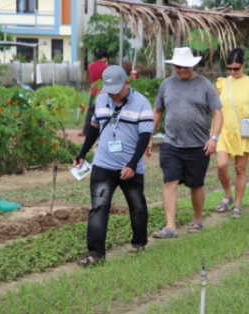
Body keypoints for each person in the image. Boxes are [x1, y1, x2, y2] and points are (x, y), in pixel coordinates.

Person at [74, 65, 154, 265]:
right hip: (103, 163)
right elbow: (94, 127)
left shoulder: (141, 103)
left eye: (117, 90)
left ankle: (139, 243)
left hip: (130, 166)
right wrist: (82, 153)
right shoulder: (102, 99)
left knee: (137, 206)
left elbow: (145, 136)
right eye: (110, 91)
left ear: (127, 83)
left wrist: (133, 164)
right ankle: (95, 254)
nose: (113, 95)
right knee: (98, 208)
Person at [149, 47, 223, 237]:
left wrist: (213, 138)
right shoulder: (166, 85)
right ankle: (170, 226)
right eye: (177, 66)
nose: (181, 69)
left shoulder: (205, 85)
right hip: (171, 143)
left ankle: (198, 220)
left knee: (195, 184)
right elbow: (158, 111)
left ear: (192, 65)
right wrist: (148, 136)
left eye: (185, 66)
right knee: (169, 182)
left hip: (198, 145)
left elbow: (217, 113)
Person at [214, 48, 249, 218]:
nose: (233, 71)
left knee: (240, 169)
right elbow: (216, 110)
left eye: (236, 68)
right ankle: (228, 194)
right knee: (221, 165)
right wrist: (212, 134)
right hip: (224, 130)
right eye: (229, 68)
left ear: (244, 64)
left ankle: (237, 204)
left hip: (244, 130)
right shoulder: (221, 83)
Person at [80, 50, 109, 137]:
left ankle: (85, 131)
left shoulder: (90, 66)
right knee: (103, 112)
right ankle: (101, 132)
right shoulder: (106, 67)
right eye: (106, 58)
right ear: (103, 57)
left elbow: (91, 79)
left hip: (93, 92)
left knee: (90, 112)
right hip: (103, 92)